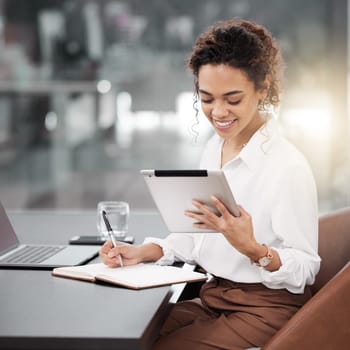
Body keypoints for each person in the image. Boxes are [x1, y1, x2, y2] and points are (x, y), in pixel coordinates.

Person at [100, 18, 320, 350]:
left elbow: (306, 267)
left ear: (263, 90)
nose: (218, 112)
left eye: (233, 100)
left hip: (266, 308)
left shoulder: (287, 166)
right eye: (207, 98)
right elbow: (199, 235)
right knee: (127, 335)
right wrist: (144, 252)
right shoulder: (215, 146)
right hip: (213, 294)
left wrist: (253, 249)